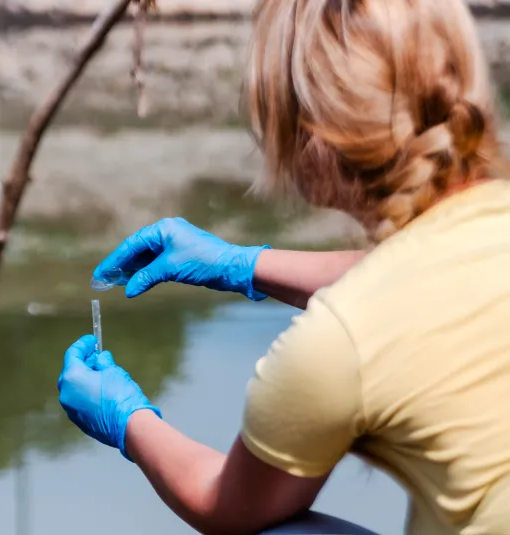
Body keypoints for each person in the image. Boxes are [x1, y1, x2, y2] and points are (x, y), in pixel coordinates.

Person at [56, 0, 510, 534]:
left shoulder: (338, 344)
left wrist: (126, 420)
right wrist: (241, 265)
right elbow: (425, 285)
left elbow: (224, 504)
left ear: (313, 134)